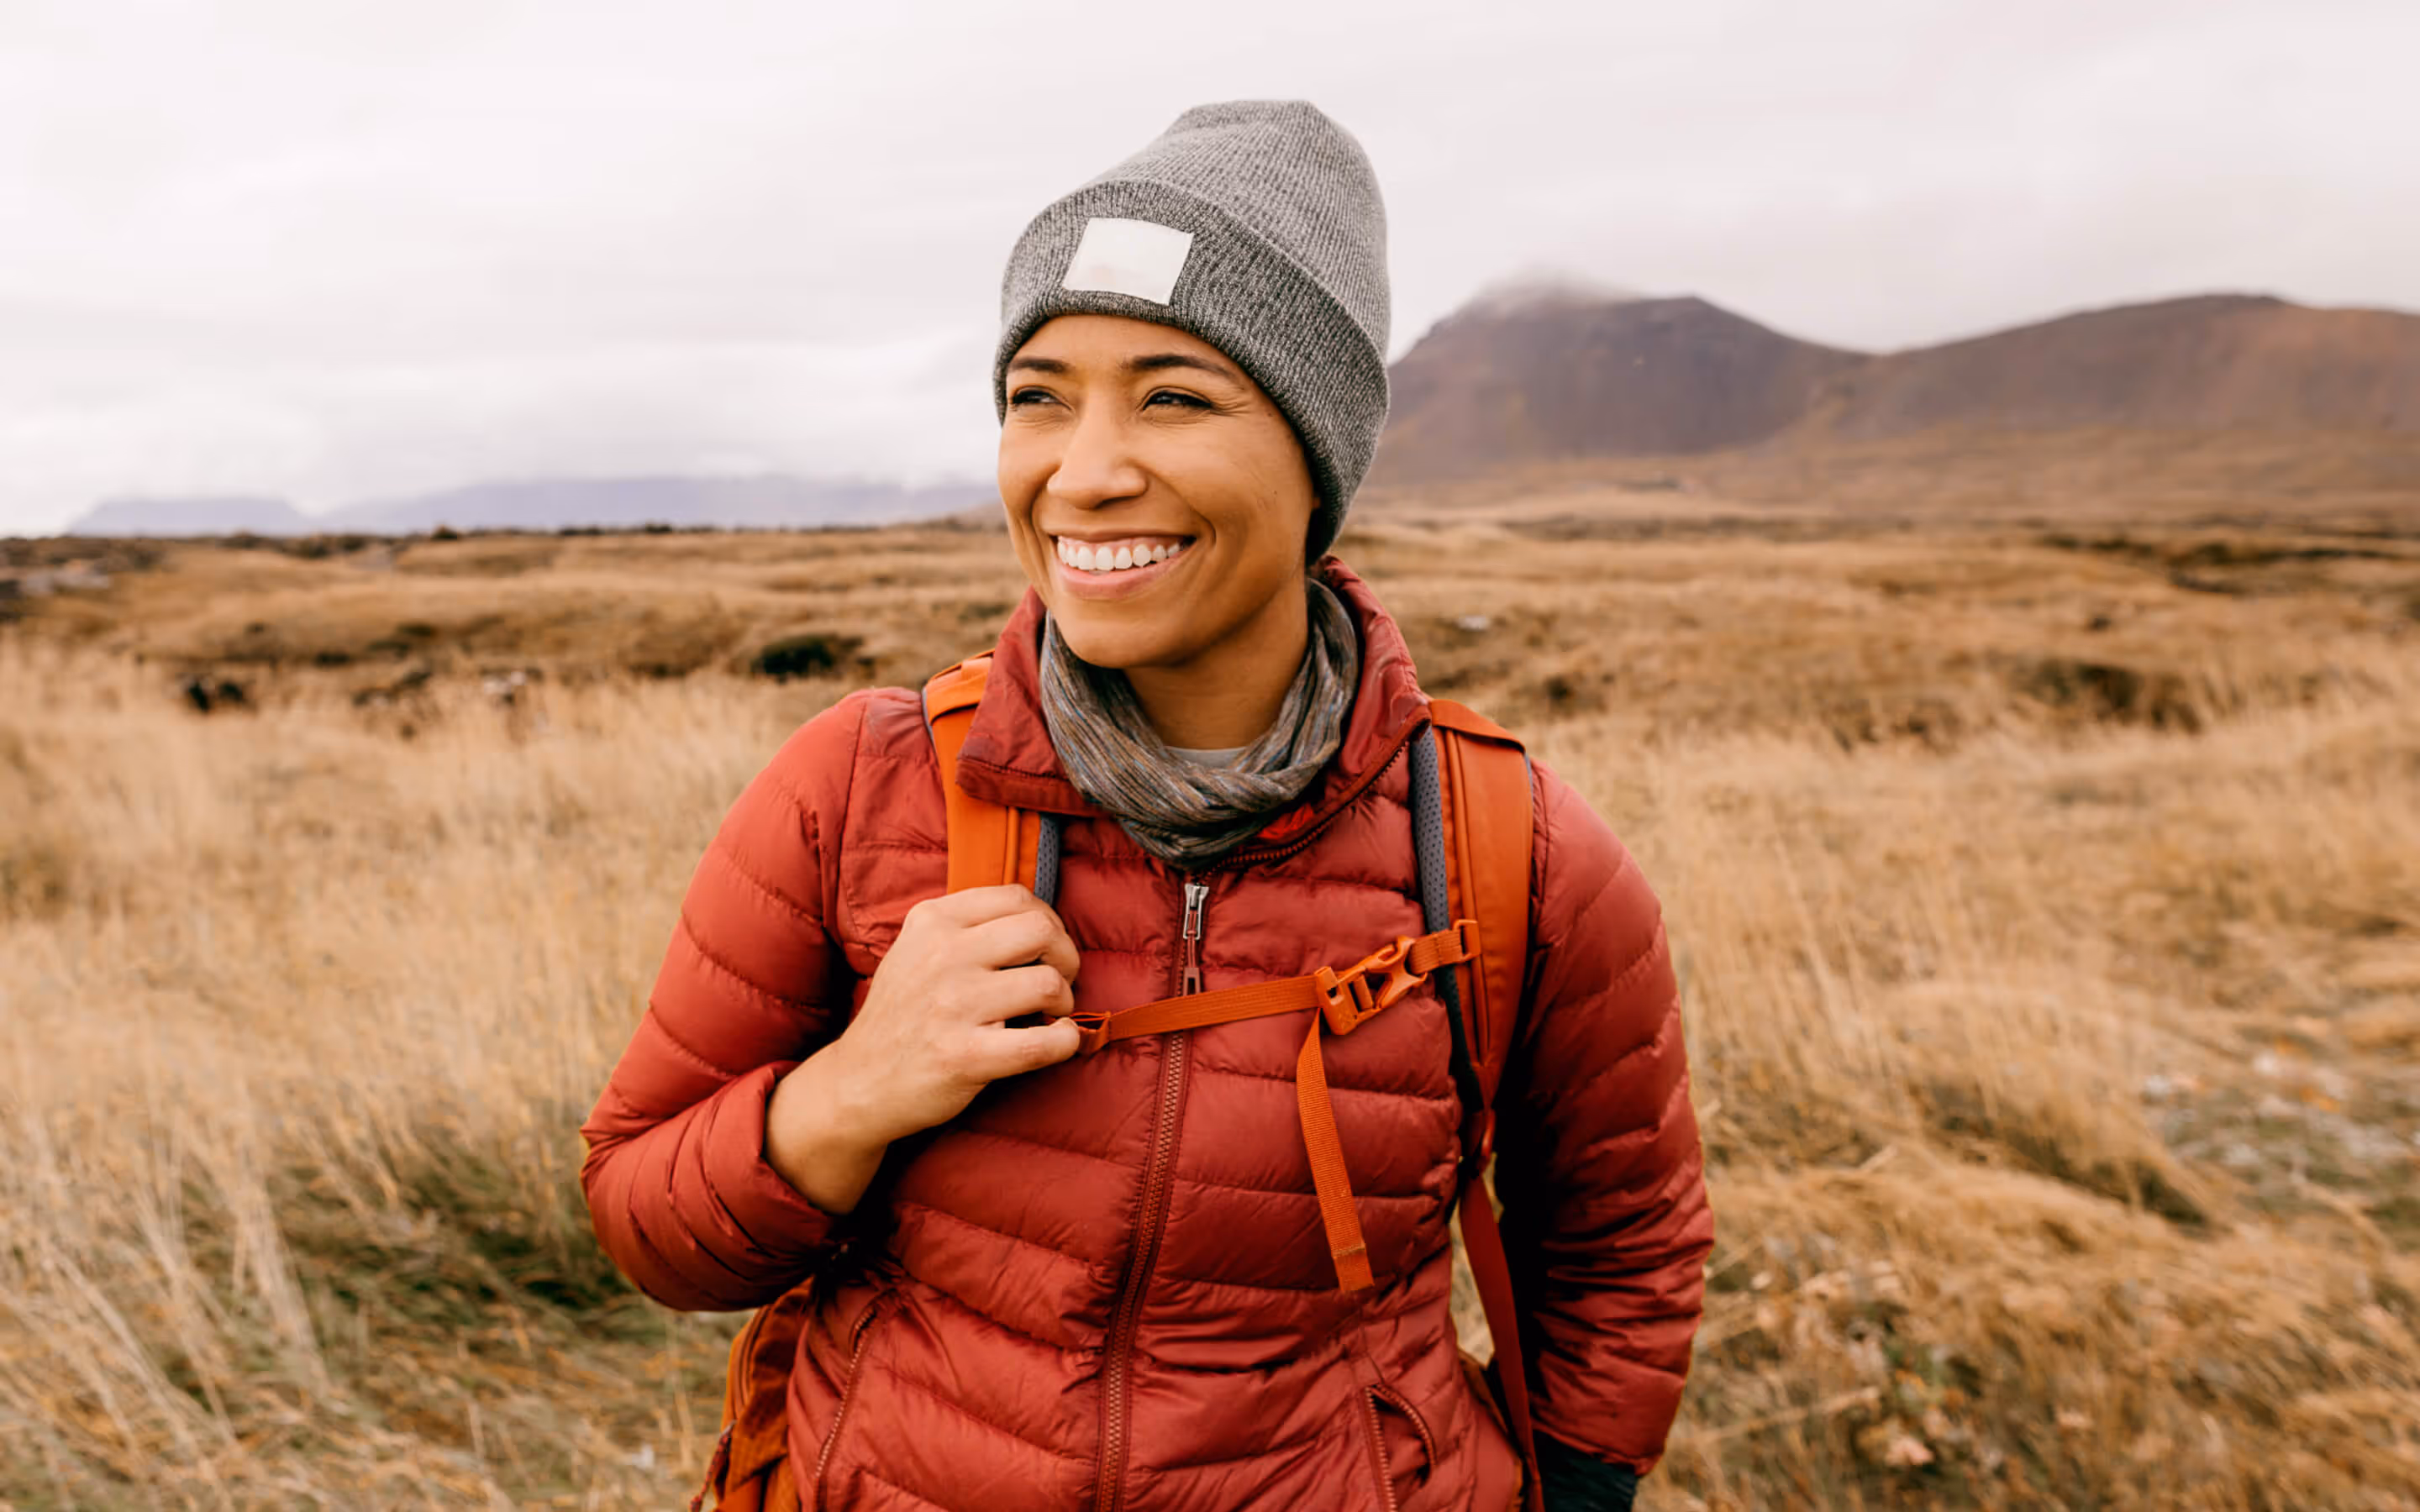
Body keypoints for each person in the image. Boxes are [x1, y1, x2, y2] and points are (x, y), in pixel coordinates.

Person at [580, 100, 1713, 1512]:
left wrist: (1584, 1490)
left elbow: (1622, 1248)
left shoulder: (1511, 851)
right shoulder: (862, 787)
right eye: (1037, 395)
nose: (1085, 469)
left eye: (1174, 396)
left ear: (1317, 455)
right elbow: (648, 1226)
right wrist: (851, 1093)